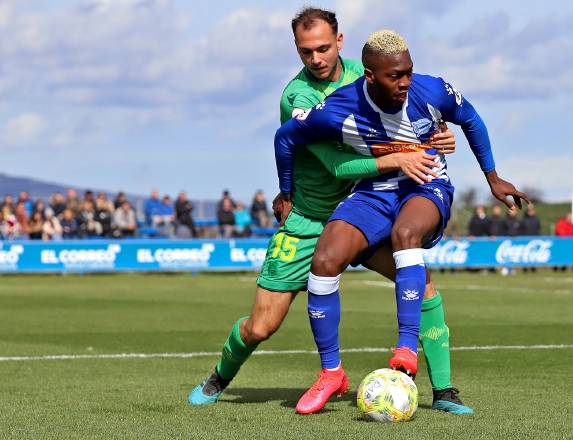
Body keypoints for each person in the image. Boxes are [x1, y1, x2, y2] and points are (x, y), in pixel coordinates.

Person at [189, 9, 472, 416]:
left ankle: (444, 391)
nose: (316, 58)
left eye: (323, 48)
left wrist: (438, 135)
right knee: (261, 327)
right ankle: (219, 377)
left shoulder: (369, 72)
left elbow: (420, 110)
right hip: (310, 219)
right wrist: (399, 158)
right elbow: (338, 166)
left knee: (421, 282)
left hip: (364, 209)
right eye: (306, 52)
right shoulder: (298, 98)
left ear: (339, 42)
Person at [271, 29, 528, 414]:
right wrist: (286, 191)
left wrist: (492, 177)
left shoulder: (432, 90)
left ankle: (407, 347)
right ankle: (331, 373)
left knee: (406, 233)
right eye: (395, 76)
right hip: (373, 192)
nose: (405, 81)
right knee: (324, 259)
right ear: (370, 76)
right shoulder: (339, 107)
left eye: (408, 71)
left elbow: (471, 119)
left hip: (427, 185)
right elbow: (285, 138)